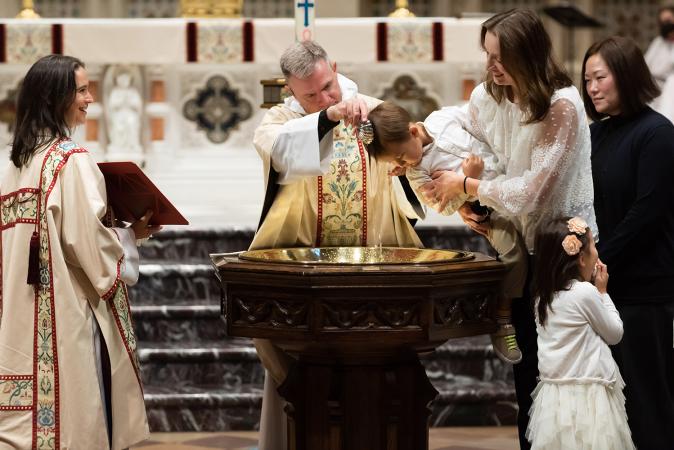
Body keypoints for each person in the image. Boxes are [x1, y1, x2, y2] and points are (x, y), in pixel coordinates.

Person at [419, 9, 597, 449]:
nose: (492, 66)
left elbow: (533, 194)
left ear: (529, 55)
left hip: (566, 252)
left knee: (566, 377)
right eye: (488, 55)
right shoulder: (489, 96)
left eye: (501, 57)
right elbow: (458, 125)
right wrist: (468, 201)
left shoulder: (562, 106)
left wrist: (469, 184)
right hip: (521, 246)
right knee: (529, 378)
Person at [251, 41, 423, 450]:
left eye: (328, 86)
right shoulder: (279, 120)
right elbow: (280, 155)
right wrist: (326, 117)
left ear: (335, 68)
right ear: (290, 91)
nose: (325, 97)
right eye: (309, 94)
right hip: (308, 280)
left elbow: (415, 159)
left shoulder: (374, 110)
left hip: (371, 276)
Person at [0, 55, 159, 449]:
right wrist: (130, 235)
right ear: (57, 97)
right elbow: (93, 250)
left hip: (17, 317)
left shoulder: (16, 165)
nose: (90, 99)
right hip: (65, 313)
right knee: (71, 424)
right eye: (82, 90)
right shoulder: (71, 161)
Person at [364, 101, 527, 364]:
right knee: (512, 255)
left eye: (401, 157)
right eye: (395, 162)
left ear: (413, 132)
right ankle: (503, 321)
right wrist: (468, 180)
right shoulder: (418, 174)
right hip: (488, 208)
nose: (402, 165)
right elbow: (444, 206)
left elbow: (478, 116)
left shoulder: (444, 119)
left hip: (513, 181)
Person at [582, 35, 674, 448]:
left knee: (647, 400)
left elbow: (647, 213)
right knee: (609, 405)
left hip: (644, 290)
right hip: (602, 287)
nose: (593, 88)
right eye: (587, 80)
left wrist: (597, 257)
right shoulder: (595, 135)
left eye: (600, 77)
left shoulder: (657, 133)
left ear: (627, 75)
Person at [527, 217, 634, 450]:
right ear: (581, 258)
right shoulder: (585, 293)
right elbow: (615, 333)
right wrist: (603, 292)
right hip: (590, 395)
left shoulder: (541, 299)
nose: (597, 252)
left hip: (555, 398)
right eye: (593, 246)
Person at [645, 5, 674, 123]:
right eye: (662, 22)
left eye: (668, 21)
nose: (665, 25)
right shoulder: (657, 42)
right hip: (652, 89)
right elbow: (645, 64)